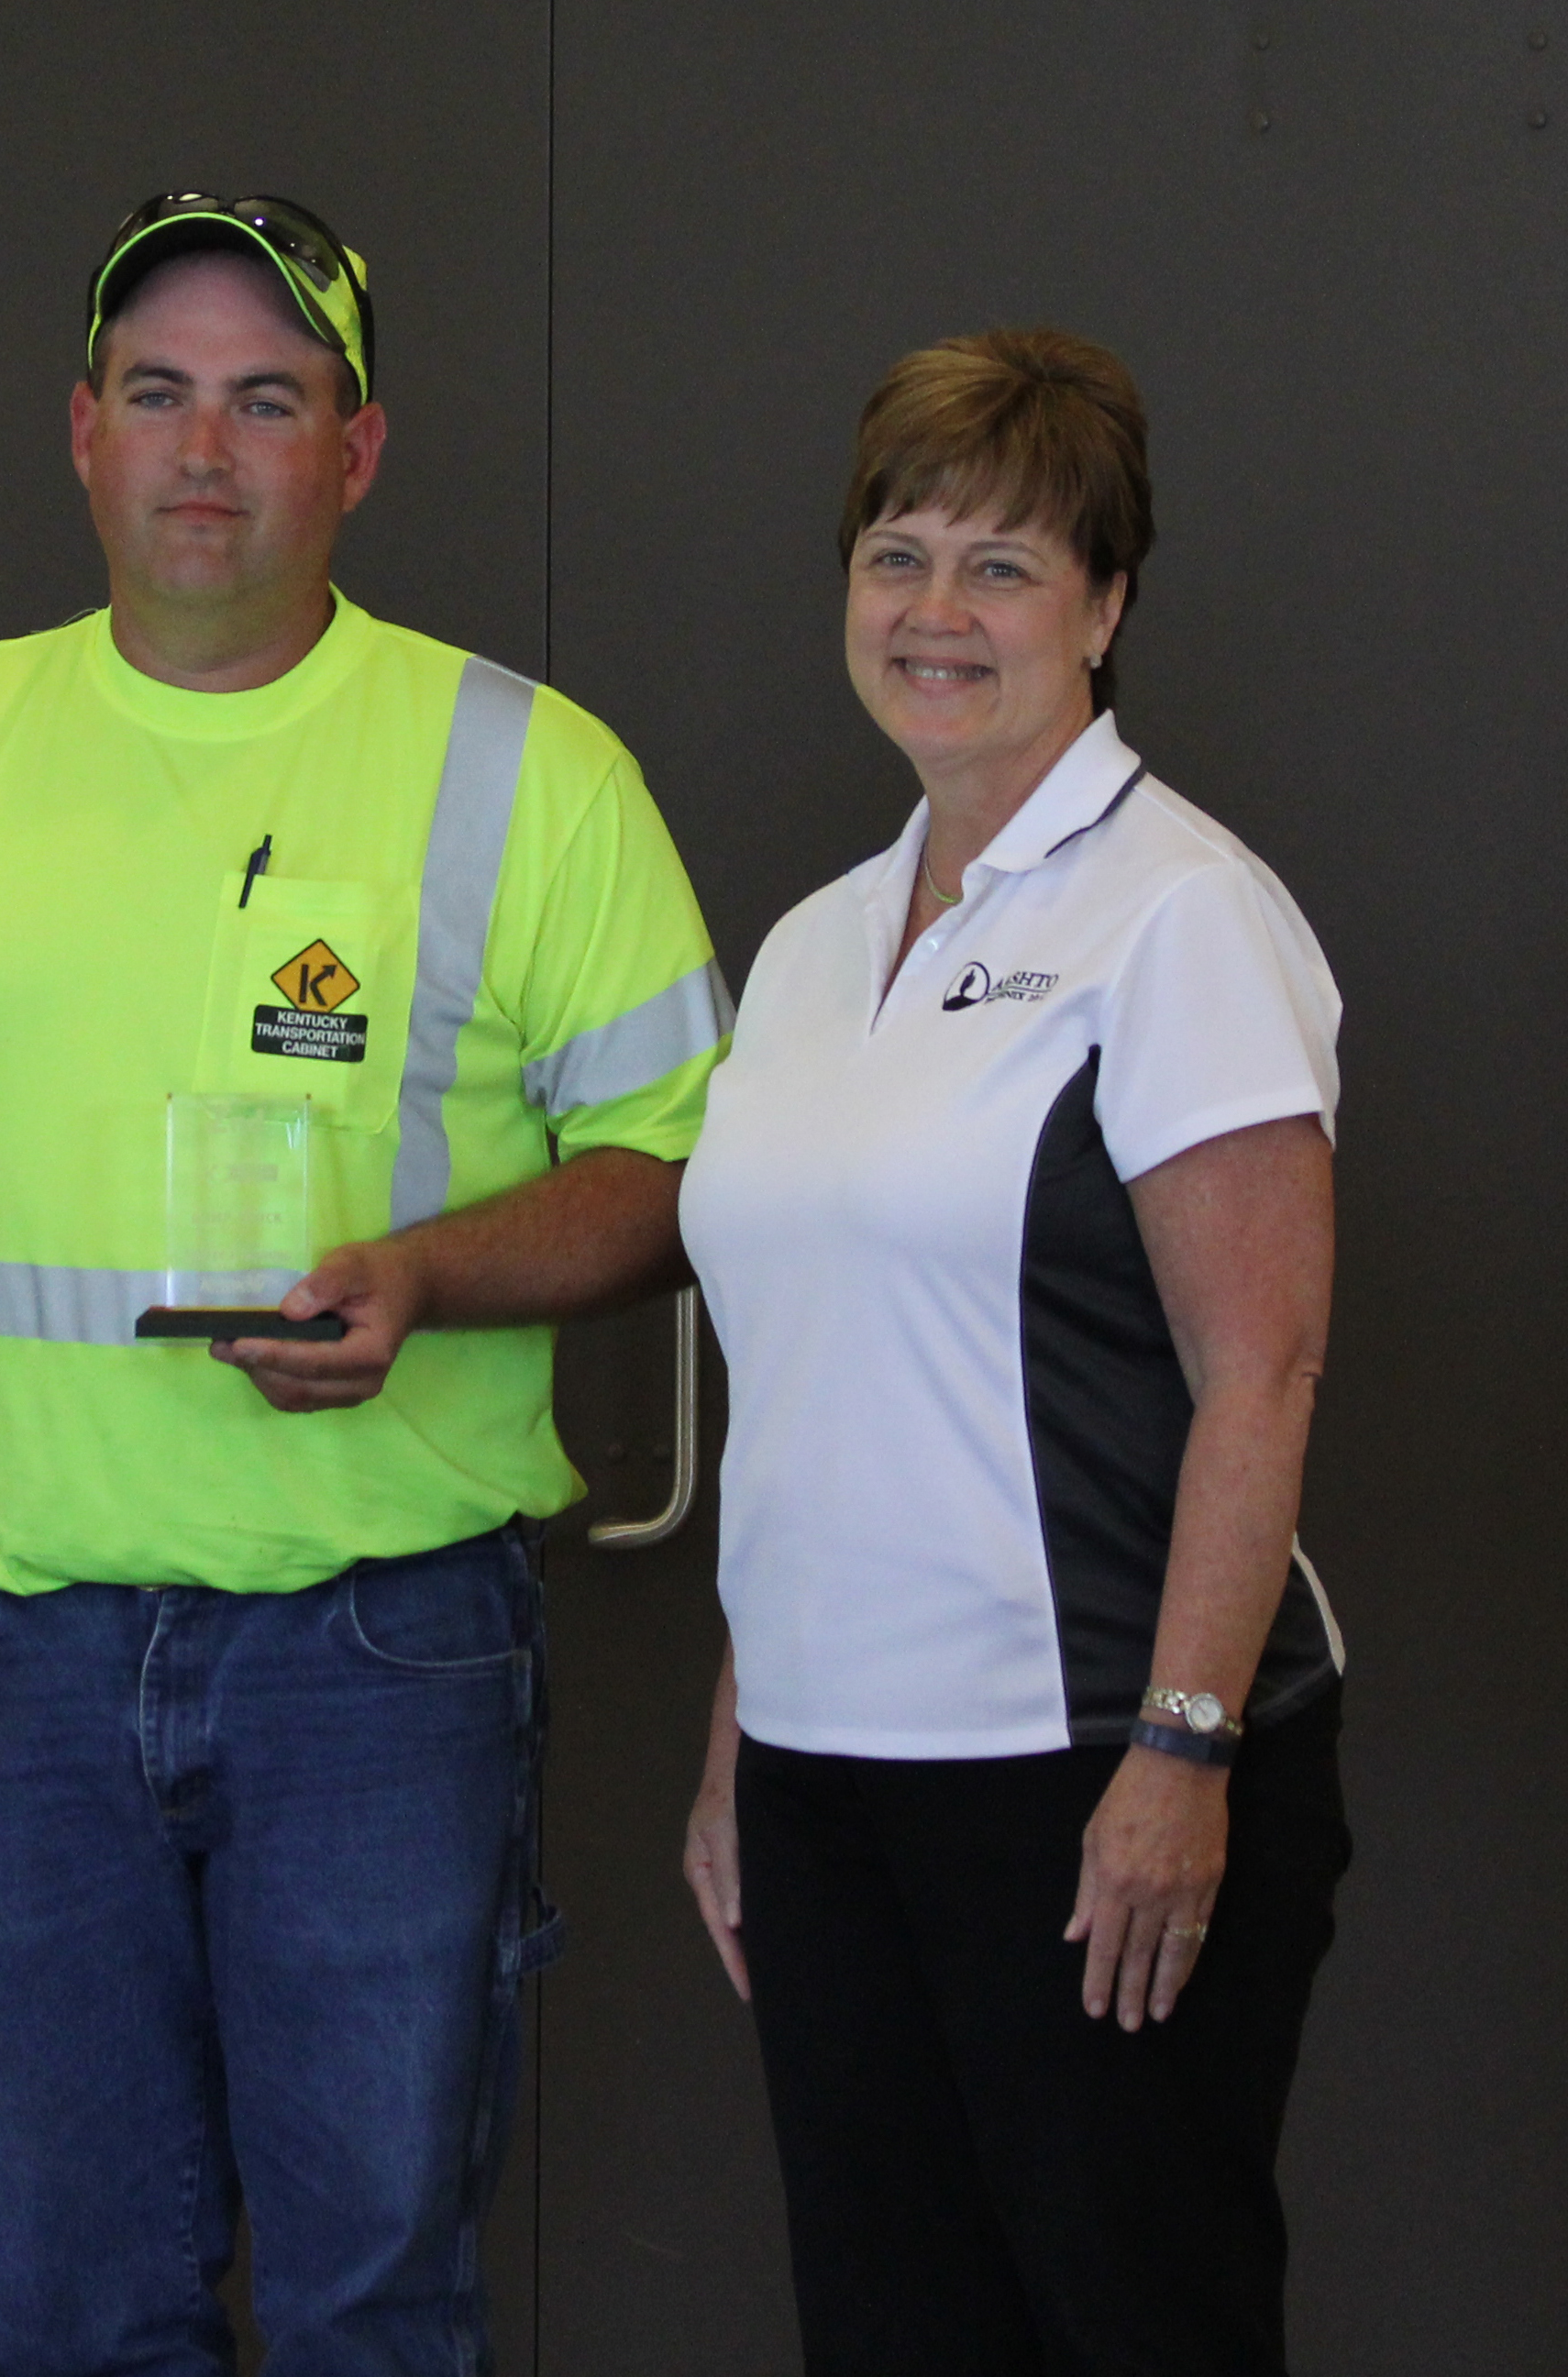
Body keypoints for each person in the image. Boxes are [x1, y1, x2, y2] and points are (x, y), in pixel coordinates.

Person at [0, 193, 728, 2374]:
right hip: (19, 1673)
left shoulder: (525, 771)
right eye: (159, 394)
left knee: (377, 2296)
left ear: (357, 453)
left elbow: (679, 1172)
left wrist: (434, 1275)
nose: (205, 448)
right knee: (70, 2302)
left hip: (383, 1660)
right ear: (79, 432)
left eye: (270, 400)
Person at [675, 328, 1350, 2375]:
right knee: (891, 2333)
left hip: (1085, 1769)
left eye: (1002, 566)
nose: (936, 614)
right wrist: (737, 1741)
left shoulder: (1182, 918)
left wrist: (1182, 1751)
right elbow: (819, 1370)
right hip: (825, 1778)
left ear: (1108, 606)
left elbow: (1268, 1371)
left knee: (1130, 2325)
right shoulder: (812, 940)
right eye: (899, 556)